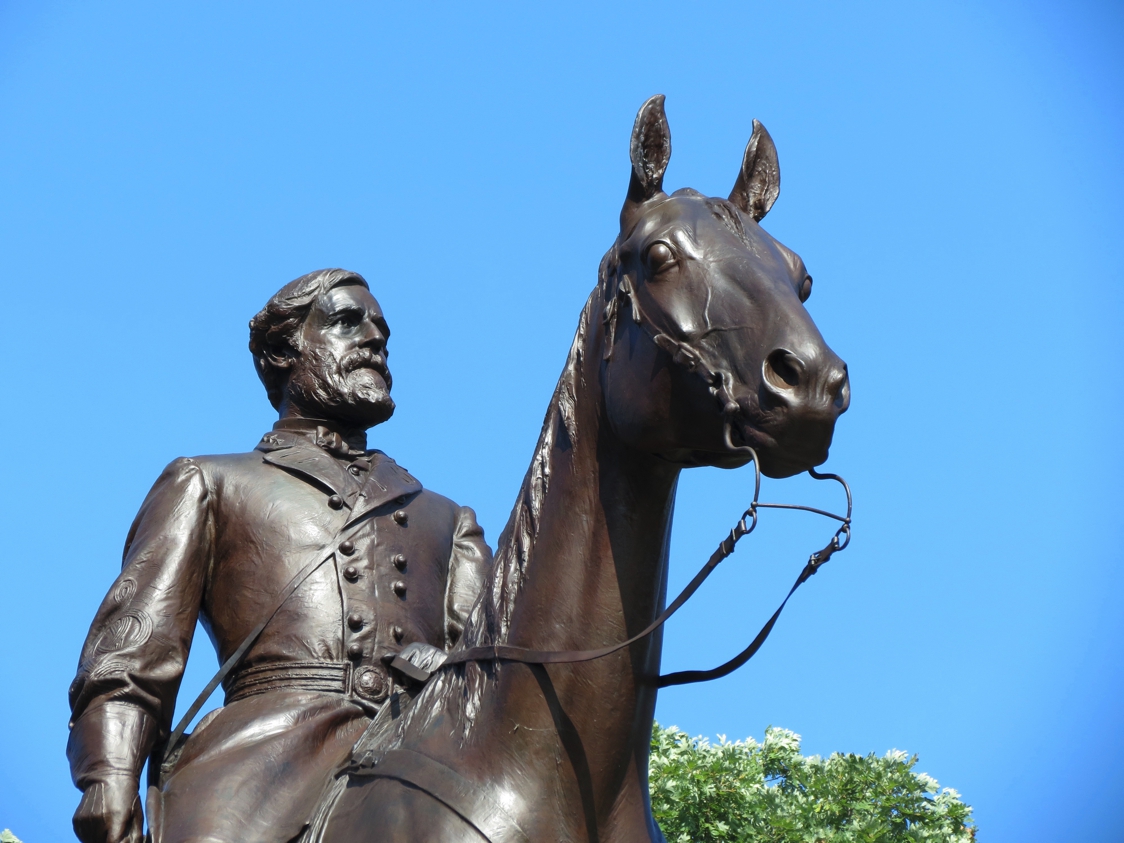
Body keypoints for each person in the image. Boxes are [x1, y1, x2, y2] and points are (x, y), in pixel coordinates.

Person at [67, 268, 492, 843]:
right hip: (262, 761)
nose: (374, 339)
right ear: (282, 353)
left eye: (381, 332)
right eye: (347, 322)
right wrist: (110, 774)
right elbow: (133, 648)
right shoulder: (210, 481)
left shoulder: (446, 516)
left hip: (420, 755)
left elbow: (493, 669)